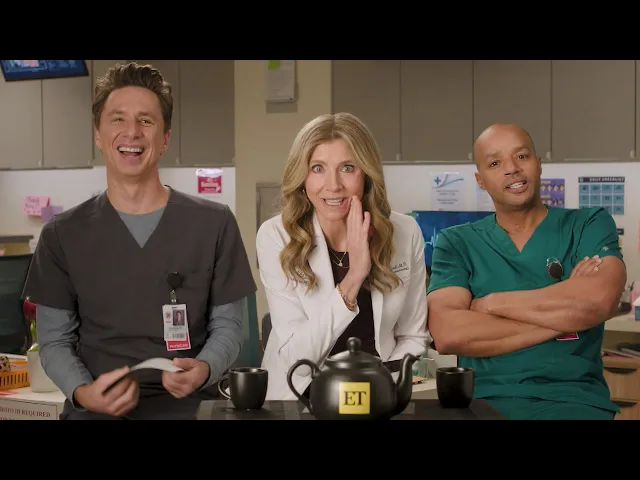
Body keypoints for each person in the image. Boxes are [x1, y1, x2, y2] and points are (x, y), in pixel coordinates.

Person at [21, 62, 256, 420]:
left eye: (146, 120)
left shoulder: (214, 224)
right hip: (96, 410)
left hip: (192, 406)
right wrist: (84, 392)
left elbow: (229, 328)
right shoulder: (61, 234)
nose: (132, 132)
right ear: (98, 134)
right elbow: (55, 341)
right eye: (118, 119)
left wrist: (205, 368)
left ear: (165, 138)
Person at [427, 123, 627, 420]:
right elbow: (448, 333)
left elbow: (600, 300)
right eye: (495, 163)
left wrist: (489, 304)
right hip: (483, 404)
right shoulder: (457, 242)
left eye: (522, 156)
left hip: (575, 403)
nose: (512, 169)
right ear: (480, 180)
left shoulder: (588, 224)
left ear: (538, 164)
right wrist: (570, 317)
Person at [256, 112, 429, 400]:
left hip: (378, 392)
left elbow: (413, 336)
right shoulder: (277, 236)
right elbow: (298, 360)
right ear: (302, 177)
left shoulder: (404, 231)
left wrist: (382, 387)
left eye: (348, 168)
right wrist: (353, 278)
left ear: (366, 174)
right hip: (299, 395)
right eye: (318, 168)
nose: (333, 185)